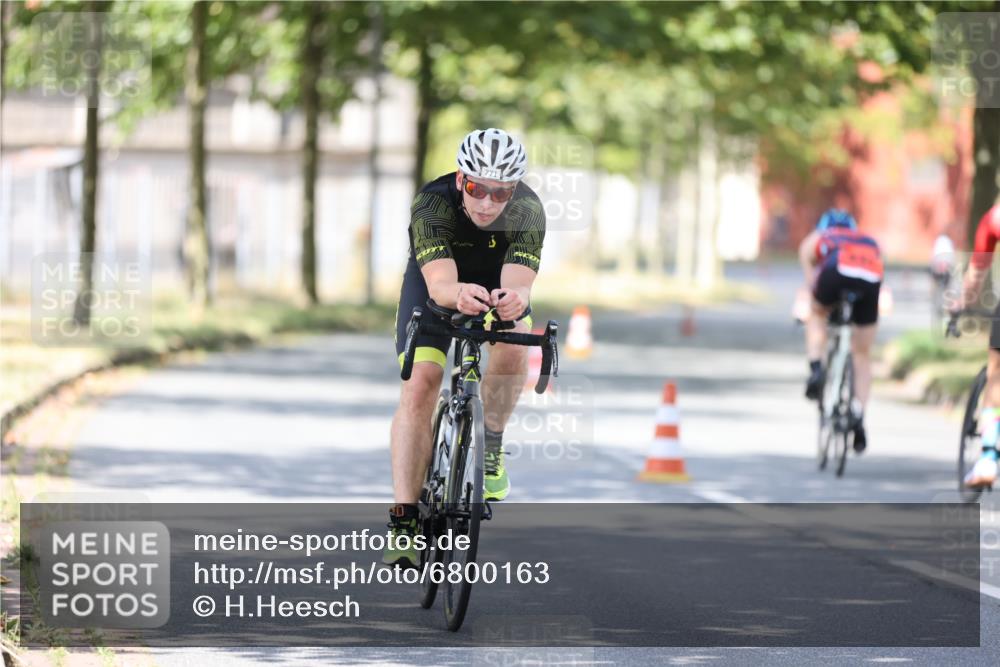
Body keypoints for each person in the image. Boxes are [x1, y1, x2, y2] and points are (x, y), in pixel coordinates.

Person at [383, 128, 545, 568]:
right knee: (421, 385)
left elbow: (519, 286)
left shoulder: (528, 210)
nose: (488, 203)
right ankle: (404, 519)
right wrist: (458, 294)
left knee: (516, 342)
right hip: (436, 287)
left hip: (493, 286)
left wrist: (515, 301)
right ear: (461, 179)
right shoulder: (432, 202)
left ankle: (490, 443)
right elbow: (439, 286)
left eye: (500, 193)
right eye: (477, 189)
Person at [799, 208, 884, 453]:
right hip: (870, 275)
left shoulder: (822, 236)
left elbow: (808, 264)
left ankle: (816, 367)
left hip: (836, 269)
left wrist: (815, 295)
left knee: (816, 313)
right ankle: (858, 412)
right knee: (862, 353)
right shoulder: (867, 240)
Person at [950, 199, 1000, 488]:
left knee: (996, 372)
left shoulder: (994, 217)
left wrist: (962, 306)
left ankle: (989, 457)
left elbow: (975, 276)